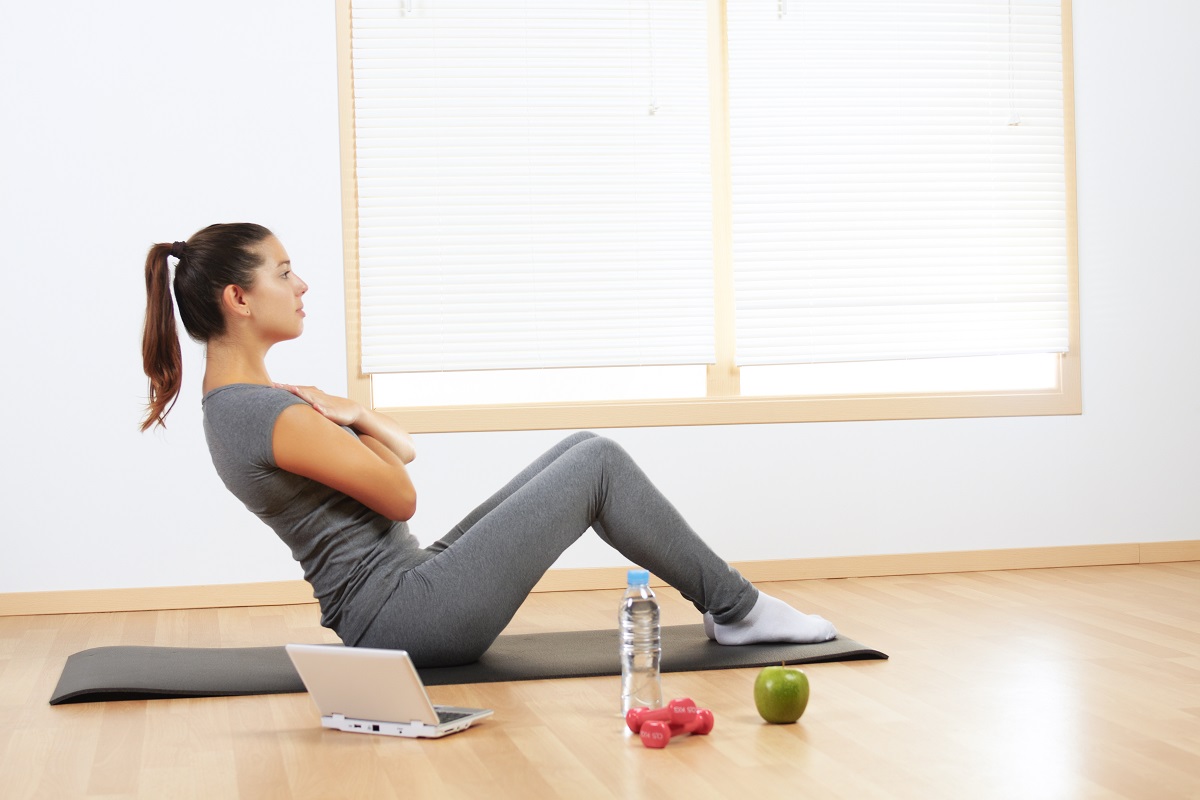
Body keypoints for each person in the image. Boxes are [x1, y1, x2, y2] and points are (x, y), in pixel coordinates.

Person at [141, 222, 837, 667]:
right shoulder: (267, 414)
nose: (301, 285)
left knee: (582, 446)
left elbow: (398, 457)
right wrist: (354, 426)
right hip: (406, 619)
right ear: (238, 298)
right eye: (283, 271)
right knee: (598, 465)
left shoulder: (242, 408)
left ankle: (733, 608)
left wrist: (357, 416)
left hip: (400, 597)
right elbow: (403, 496)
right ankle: (739, 609)